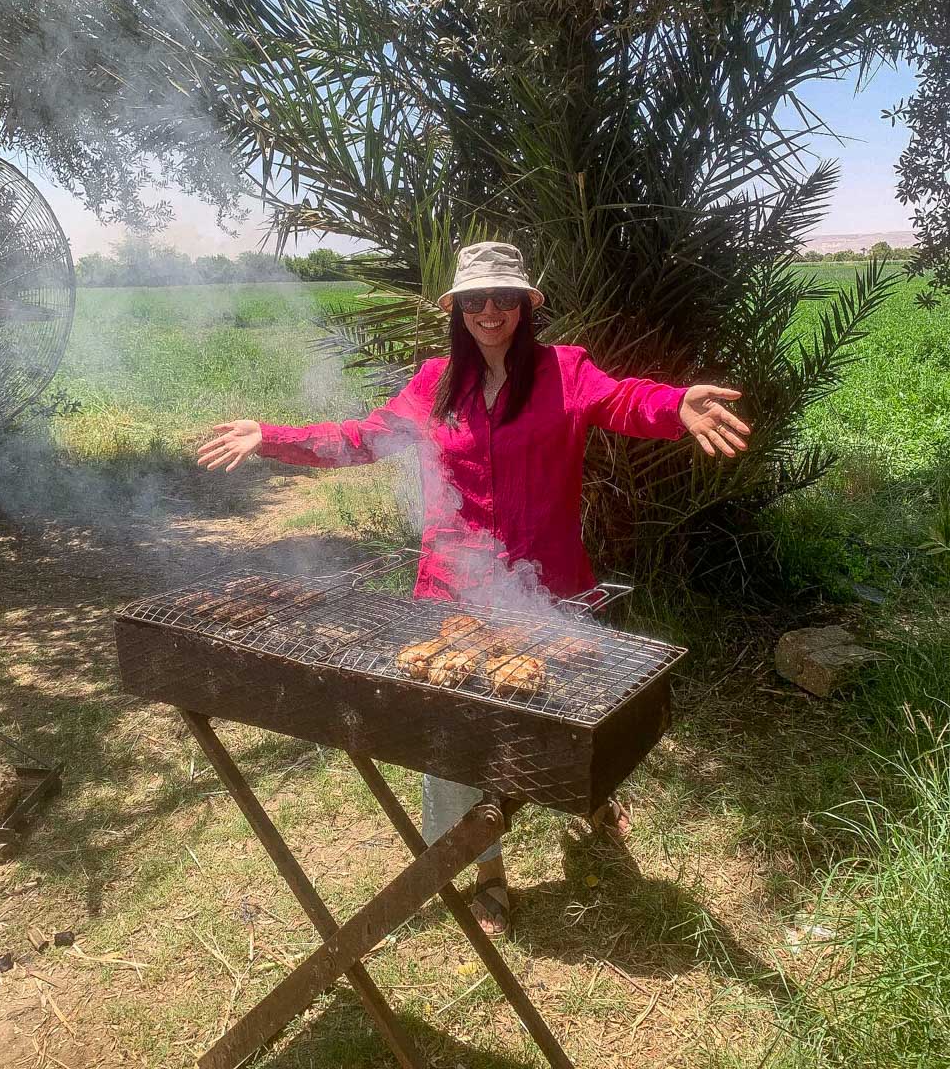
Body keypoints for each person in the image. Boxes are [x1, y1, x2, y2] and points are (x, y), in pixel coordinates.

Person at [197, 240, 751, 936]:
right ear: (456, 310)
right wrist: (271, 435)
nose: (491, 311)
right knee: (450, 739)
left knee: (571, 709)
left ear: (524, 306)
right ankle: (486, 868)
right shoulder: (434, 383)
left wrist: (675, 406)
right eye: (476, 301)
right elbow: (361, 437)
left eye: (505, 298)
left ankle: (594, 801)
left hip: (549, 588)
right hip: (453, 592)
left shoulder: (564, 370)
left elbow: (624, 400)